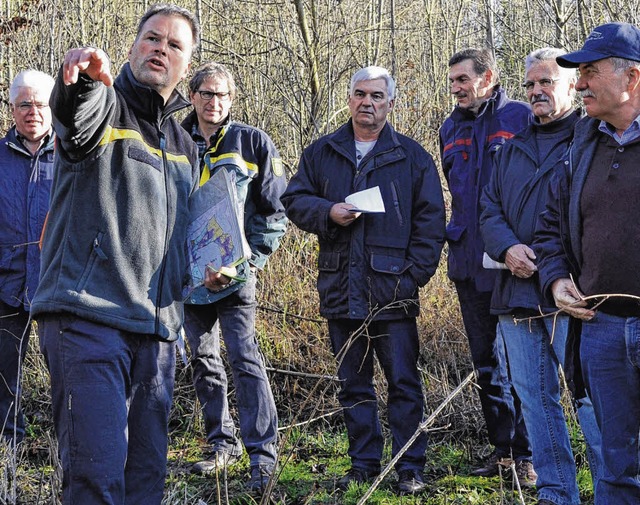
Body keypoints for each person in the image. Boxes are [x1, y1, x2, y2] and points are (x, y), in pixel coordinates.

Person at [30, 5, 200, 504]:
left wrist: (206, 273)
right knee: (96, 482)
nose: (160, 49)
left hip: (157, 333)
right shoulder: (106, 104)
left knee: (145, 485)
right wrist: (80, 82)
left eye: (174, 45)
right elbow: (73, 120)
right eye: (152, 38)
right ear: (133, 45)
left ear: (186, 64)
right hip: (89, 319)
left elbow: (181, 236)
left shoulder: (185, 144)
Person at [281, 66, 445, 494]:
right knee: (353, 384)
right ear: (349, 99)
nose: (366, 102)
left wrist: (412, 279)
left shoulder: (412, 157)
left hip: (393, 292)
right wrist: (327, 213)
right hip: (340, 288)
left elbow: (431, 223)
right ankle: (364, 465)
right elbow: (294, 199)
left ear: (390, 103)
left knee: (404, 383)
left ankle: (409, 466)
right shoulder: (322, 152)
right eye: (359, 94)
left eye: (376, 95)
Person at [480, 48, 603, 505]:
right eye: (531, 84)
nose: (536, 92)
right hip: (516, 297)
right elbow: (487, 210)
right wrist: (507, 247)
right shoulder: (509, 149)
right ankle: (557, 494)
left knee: (592, 402)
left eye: (546, 82)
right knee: (536, 404)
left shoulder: (591, 140)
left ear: (571, 85)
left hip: (575, 295)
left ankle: (612, 488)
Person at [533, 22, 640, 505]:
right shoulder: (581, 143)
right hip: (601, 331)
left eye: (590, 73)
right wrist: (555, 280)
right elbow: (551, 225)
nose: (577, 84)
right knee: (617, 467)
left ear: (631, 78)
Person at [180, 62, 287, 491]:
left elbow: (275, 211)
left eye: (222, 94)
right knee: (203, 361)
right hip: (188, 278)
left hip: (236, 277)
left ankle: (263, 456)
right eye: (206, 93)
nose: (214, 101)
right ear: (192, 96)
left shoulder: (253, 142)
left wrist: (250, 262)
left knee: (245, 359)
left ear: (232, 98)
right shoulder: (173, 139)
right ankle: (221, 445)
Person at [439, 47, 535, 482]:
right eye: (453, 80)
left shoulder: (519, 118)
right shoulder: (449, 128)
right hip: (467, 262)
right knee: (486, 363)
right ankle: (502, 453)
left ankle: (529, 455)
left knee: (524, 361)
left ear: (488, 76)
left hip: (514, 261)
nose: (456, 88)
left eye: (463, 79)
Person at [0, 69, 55, 445]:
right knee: (4, 370)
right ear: (12, 109)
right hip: (7, 282)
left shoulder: (74, 154)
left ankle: (68, 441)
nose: (32, 111)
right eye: (24, 104)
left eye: (40, 104)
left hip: (59, 284)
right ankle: (10, 444)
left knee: (69, 371)